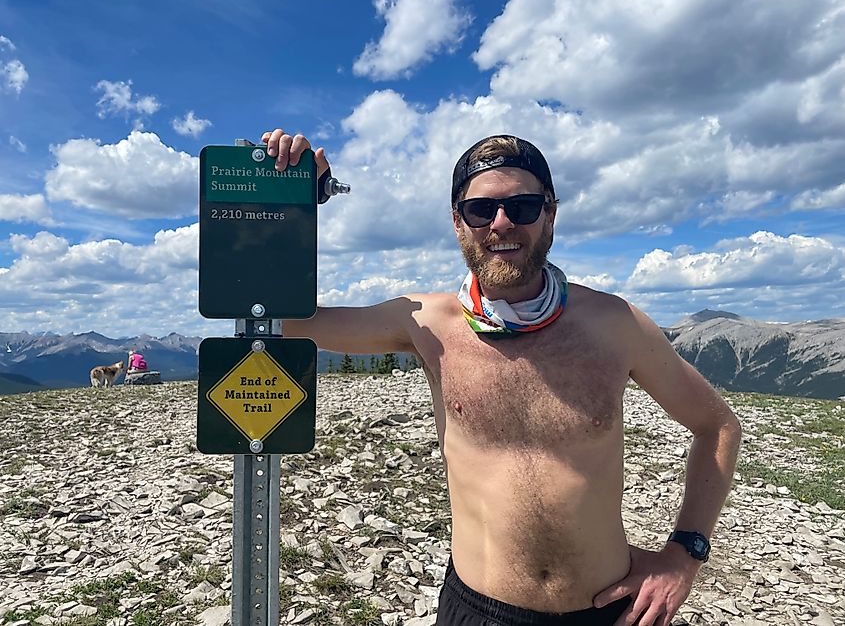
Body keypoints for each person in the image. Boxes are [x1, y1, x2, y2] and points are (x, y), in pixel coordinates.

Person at [261, 128, 742, 626]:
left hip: (608, 610)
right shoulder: (428, 324)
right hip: (479, 609)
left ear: (550, 214)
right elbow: (292, 319)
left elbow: (718, 426)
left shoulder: (615, 324)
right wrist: (296, 204)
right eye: (481, 210)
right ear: (457, 223)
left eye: (525, 207)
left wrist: (685, 555)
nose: (502, 224)